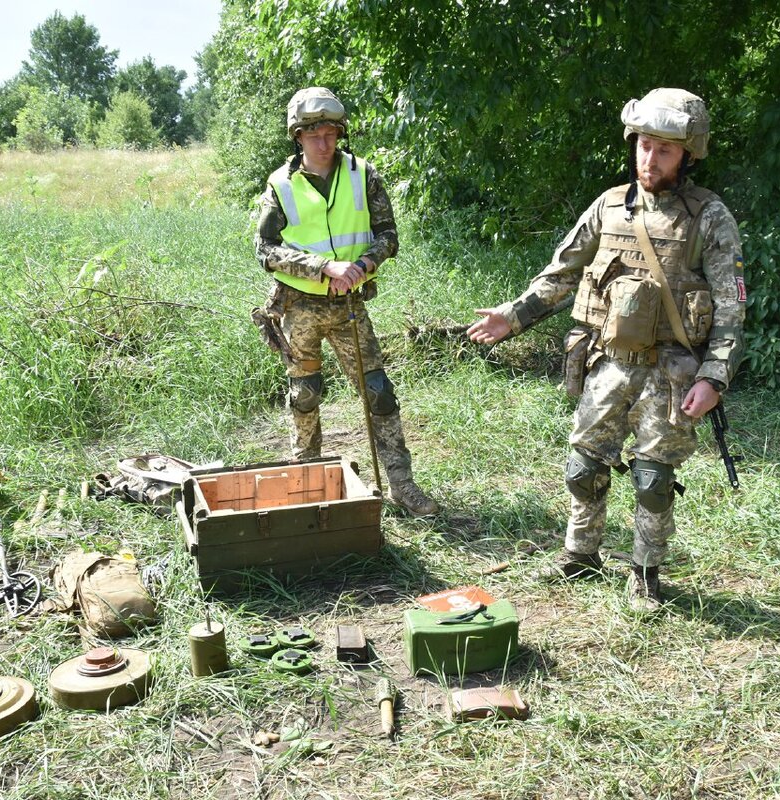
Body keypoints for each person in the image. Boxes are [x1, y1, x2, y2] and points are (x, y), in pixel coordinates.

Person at [467, 88, 745, 611]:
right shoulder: (609, 206)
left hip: (671, 372)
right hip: (610, 363)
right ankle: (580, 553)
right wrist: (515, 314)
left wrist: (714, 377)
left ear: (688, 153)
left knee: (653, 480)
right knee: (583, 466)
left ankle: (645, 571)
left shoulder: (709, 217)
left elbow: (731, 307)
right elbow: (562, 272)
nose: (650, 158)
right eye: (644, 145)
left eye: (664, 149)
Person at [254, 87, 438, 516]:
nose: (324, 142)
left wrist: (360, 265)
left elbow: (388, 235)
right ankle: (308, 483)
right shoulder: (281, 184)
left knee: (379, 394)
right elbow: (265, 249)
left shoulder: (363, 174)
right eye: (313, 133)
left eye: (331, 132)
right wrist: (321, 267)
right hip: (298, 306)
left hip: (350, 305)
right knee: (305, 394)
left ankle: (402, 486)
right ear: (297, 136)